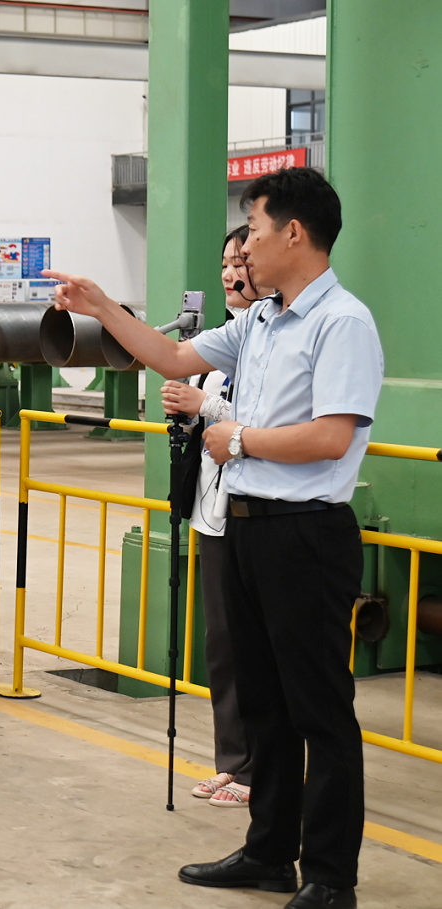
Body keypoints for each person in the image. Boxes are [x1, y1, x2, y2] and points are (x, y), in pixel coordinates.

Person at [46, 167, 380, 909]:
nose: (245, 248)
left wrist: (240, 438)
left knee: (318, 710)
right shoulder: (259, 321)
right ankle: (269, 852)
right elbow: (171, 358)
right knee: (262, 702)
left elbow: (332, 436)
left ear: (295, 233)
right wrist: (103, 306)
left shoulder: (342, 322)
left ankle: (331, 876)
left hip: (306, 535)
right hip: (247, 529)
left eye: (254, 230)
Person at [159, 225, 265, 808]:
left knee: (257, 645)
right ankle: (234, 760)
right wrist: (188, 409)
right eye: (225, 262)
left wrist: (207, 405)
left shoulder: (273, 339)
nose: (230, 273)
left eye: (241, 261)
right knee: (222, 642)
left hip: (257, 512)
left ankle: (261, 767)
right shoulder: (219, 346)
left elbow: (262, 419)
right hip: (213, 512)